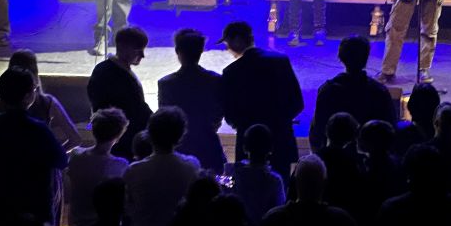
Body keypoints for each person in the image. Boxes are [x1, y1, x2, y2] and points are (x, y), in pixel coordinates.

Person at [219, 21, 304, 181]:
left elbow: (229, 114)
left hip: (248, 143)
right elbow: (297, 102)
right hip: (281, 139)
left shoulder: (232, 72)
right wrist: (281, 122)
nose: (227, 48)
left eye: (228, 43)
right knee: (281, 185)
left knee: (248, 188)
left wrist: (245, 126)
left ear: (237, 40)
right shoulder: (281, 61)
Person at [0, 66, 68, 226]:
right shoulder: (38, 128)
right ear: (27, 97)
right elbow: (61, 160)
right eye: (34, 89)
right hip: (37, 201)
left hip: (6, 196)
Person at [123, 106, 201, 226]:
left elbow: (127, 208)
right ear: (180, 135)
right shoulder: (192, 166)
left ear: (150, 133)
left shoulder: (134, 170)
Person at [309, 35, 397, 152]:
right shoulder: (379, 91)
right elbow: (391, 126)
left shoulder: (328, 90)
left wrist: (319, 156)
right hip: (369, 155)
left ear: (340, 57)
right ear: (366, 58)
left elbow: (318, 129)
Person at [157, 28, 225, 173]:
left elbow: (165, 115)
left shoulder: (166, 83)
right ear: (201, 51)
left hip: (179, 147)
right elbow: (219, 112)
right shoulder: (215, 80)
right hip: (209, 144)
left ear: (177, 51)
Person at [86, 26, 153, 160]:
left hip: (117, 136)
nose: (142, 55)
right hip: (120, 139)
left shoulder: (104, 69)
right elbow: (136, 108)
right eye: (138, 50)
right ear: (123, 47)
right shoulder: (112, 73)